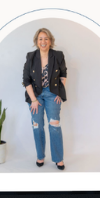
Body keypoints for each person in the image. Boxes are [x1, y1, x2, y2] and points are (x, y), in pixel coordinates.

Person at [22, 28, 68, 170]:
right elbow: (26, 80)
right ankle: (40, 156)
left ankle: (58, 159)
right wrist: (34, 100)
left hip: (52, 94)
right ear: (37, 41)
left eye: (46, 38)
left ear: (50, 41)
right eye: (40, 39)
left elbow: (63, 74)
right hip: (35, 95)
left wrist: (59, 92)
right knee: (37, 126)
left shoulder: (58, 55)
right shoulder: (30, 56)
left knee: (54, 125)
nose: (43, 41)